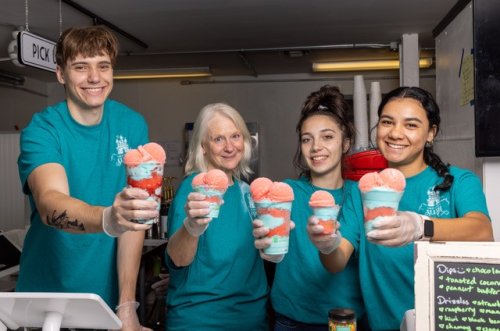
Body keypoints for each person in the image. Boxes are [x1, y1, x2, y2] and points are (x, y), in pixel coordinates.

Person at [307, 86, 493, 331]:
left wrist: (419, 226)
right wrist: (326, 243)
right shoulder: (363, 190)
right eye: (387, 122)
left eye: (411, 125)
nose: (395, 133)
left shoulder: (459, 182)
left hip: (446, 323)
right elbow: (336, 261)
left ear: (431, 133)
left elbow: (483, 231)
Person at [17, 26, 158, 330]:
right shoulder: (43, 129)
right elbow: (50, 204)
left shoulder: (132, 124)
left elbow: (132, 221)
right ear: (60, 74)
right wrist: (109, 218)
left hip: (101, 301)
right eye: (81, 67)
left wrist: (127, 305)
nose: (95, 77)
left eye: (103, 66)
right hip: (43, 301)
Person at [253, 85, 367, 330]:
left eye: (327, 137)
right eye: (307, 139)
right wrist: (262, 240)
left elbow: (338, 260)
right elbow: (257, 235)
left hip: (345, 322)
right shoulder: (285, 193)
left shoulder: (358, 195)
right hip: (290, 321)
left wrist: (328, 244)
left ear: (346, 143)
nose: (316, 147)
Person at [165, 103, 269, 330]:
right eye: (218, 139)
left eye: (235, 136)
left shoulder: (247, 192)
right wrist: (192, 227)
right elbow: (178, 260)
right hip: (201, 320)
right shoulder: (193, 189)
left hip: (251, 319)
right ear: (203, 146)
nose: (230, 147)